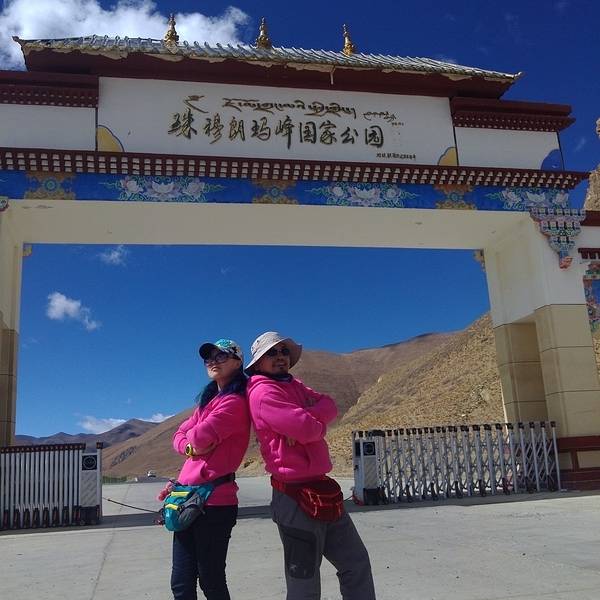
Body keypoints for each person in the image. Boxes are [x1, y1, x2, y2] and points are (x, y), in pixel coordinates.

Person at [245, 331, 376, 600]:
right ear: (258, 363)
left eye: (284, 351)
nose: (280, 356)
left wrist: (309, 421)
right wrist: (313, 425)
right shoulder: (262, 393)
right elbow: (307, 429)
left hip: (323, 490)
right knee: (304, 581)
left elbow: (330, 406)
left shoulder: (295, 385)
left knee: (356, 563)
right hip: (293, 496)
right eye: (271, 352)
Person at [160, 338, 250, 600]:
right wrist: (190, 448)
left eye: (221, 356)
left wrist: (193, 441)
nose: (212, 361)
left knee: (211, 581)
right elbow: (180, 436)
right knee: (181, 582)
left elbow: (199, 436)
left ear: (237, 362)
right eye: (209, 357)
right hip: (187, 499)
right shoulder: (208, 402)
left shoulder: (234, 402)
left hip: (215, 504)